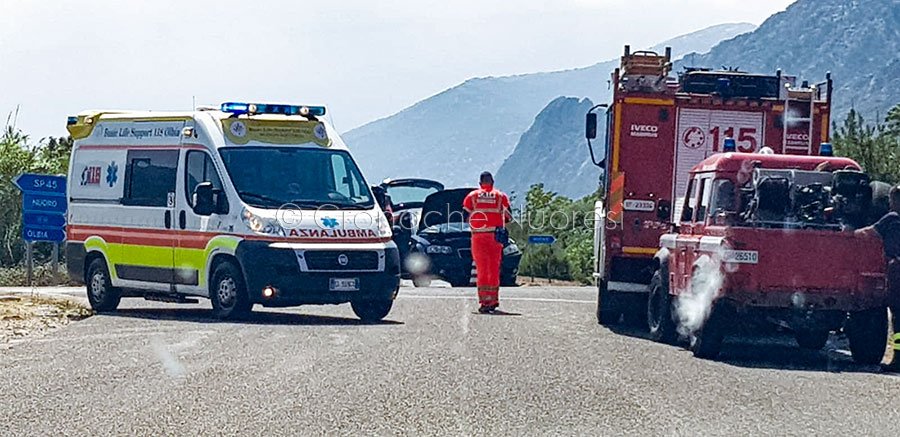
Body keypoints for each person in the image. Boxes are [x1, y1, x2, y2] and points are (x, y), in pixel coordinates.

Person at [856, 185, 900, 372]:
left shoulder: (892, 218)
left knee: (898, 319)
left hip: (897, 268)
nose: (890, 204)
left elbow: (869, 233)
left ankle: (898, 359)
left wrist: (847, 234)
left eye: (891, 200)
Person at [463, 171, 511, 314]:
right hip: (495, 237)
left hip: (478, 237)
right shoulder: (500, 196)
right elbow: (508, 216)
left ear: (480, 183)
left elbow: (465, 216)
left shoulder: (472, 196)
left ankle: (484, 302)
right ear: (492, 182)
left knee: (482, 269)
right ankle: (494, 300)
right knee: (494, 268)